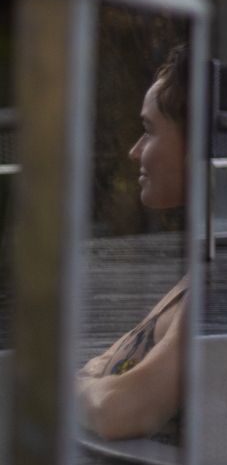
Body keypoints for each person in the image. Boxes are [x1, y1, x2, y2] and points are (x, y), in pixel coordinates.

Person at [75, 45, 190, 441]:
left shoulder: (218, 287)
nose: (134, 151)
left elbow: (120, 410)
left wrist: (70, 386)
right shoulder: (203, 272)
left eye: (149, 131)